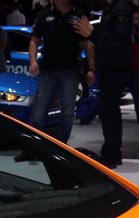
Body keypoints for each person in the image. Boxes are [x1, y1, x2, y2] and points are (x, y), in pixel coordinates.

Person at [28, 0, 93, 144]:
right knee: (38, 113)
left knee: (67, 114)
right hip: (47, 70)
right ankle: (34, 146)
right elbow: (34, 41)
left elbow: (88, 44)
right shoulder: (44, 15)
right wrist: (33, 61)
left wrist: (91, 69)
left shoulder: (78, 16)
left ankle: (62, 146)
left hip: (70, 70)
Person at [82, 0, 132, 167]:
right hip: (109, 67)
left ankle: (111, 155)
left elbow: (119, 39)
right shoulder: (111, 8)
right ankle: (112, 153)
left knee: (109, 111)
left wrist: (93, 33)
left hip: (114, 68)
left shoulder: (120, 7)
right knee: (109, 111)